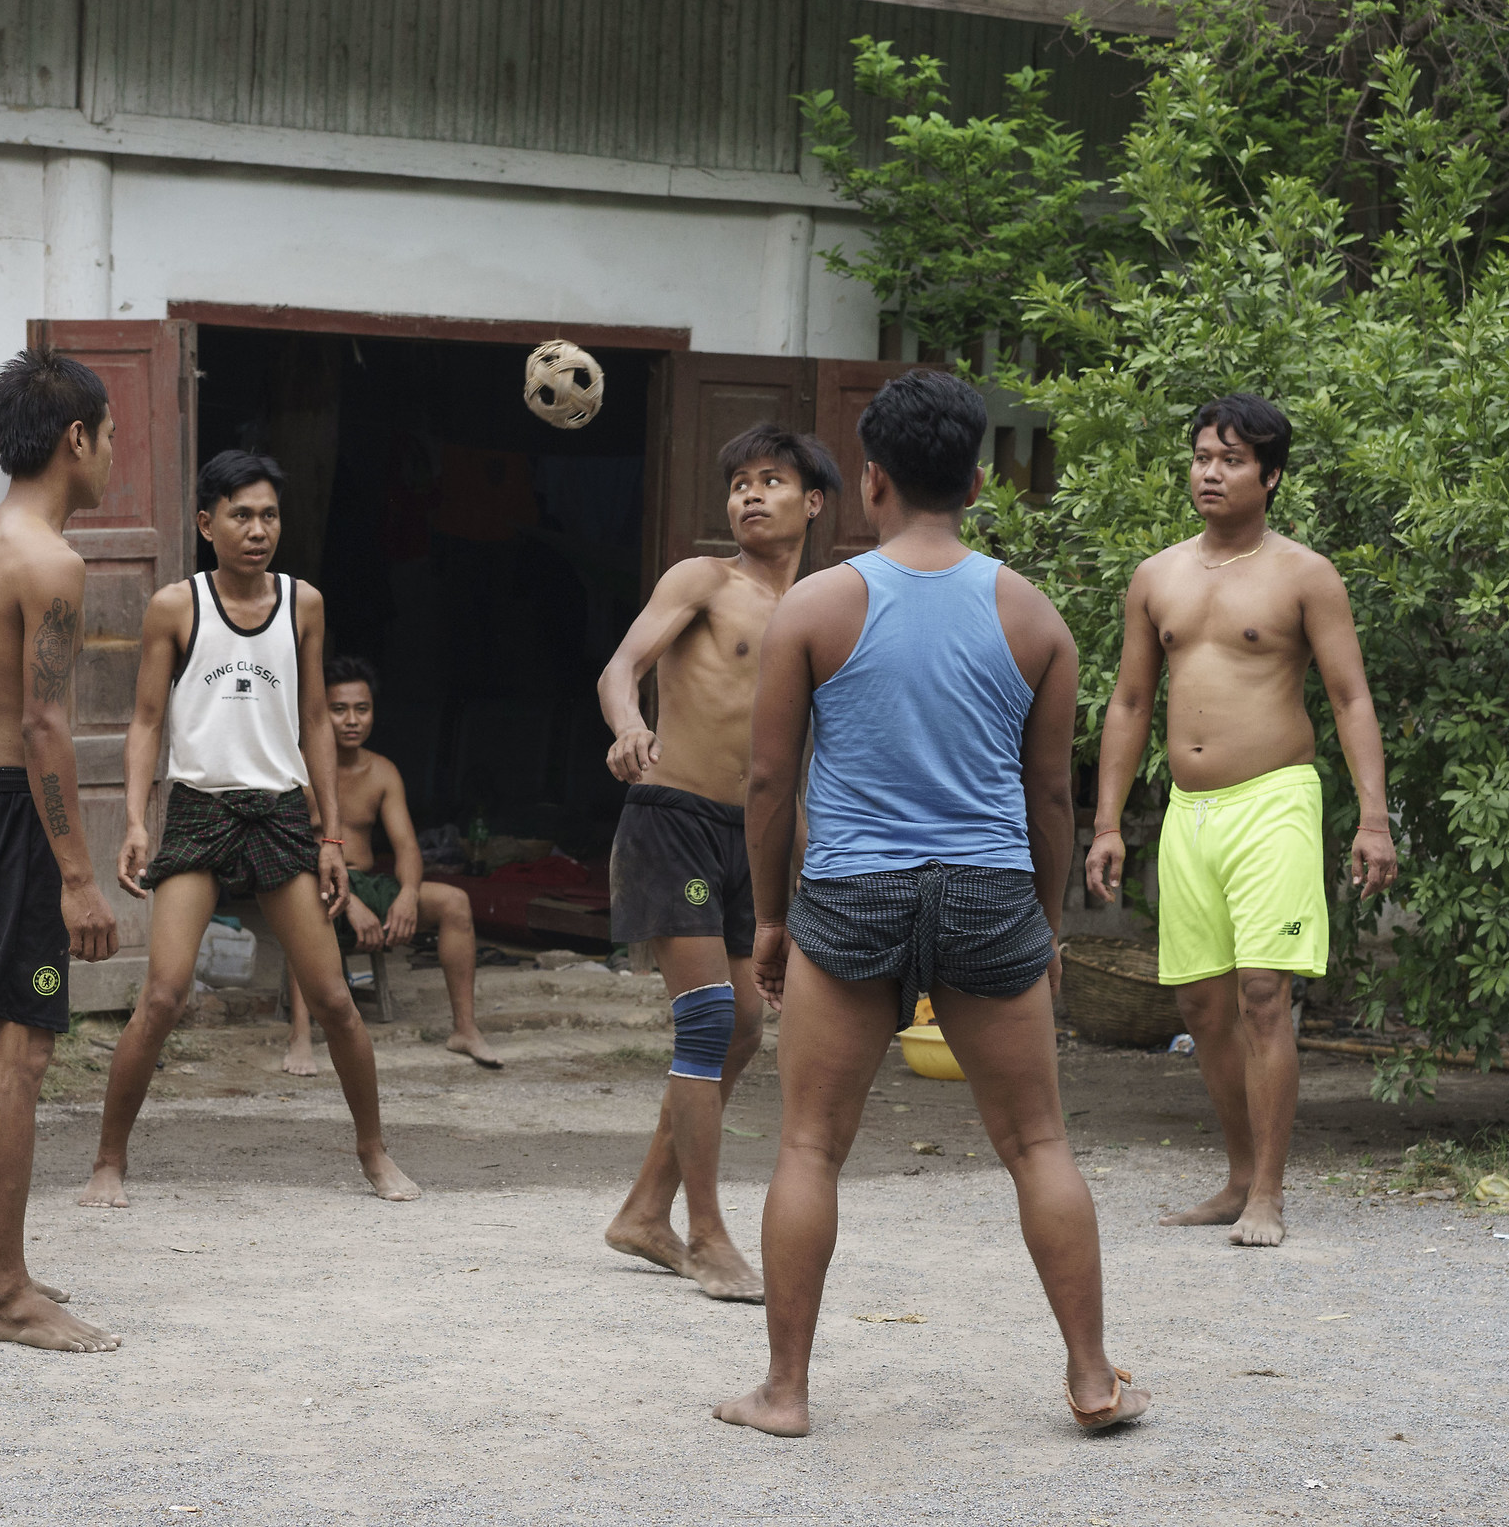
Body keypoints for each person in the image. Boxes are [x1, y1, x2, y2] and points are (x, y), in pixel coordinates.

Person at [716, 369, 1148, 1438]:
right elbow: (1050, 793)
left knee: (811, 1144)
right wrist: (1045, 925)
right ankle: (1092, 1379)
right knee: (1039, 1143)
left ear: (870, 481)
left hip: (851, 891)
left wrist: (771, 919)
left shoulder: (816, 606)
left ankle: (785, 1390)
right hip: (990, 889)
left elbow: (771, 784)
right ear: (975, 481)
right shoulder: (1033, 616)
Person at [1085, 394, 1397, 1249]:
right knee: (1199, 1003)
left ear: (1271, 475)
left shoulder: (1305, 574)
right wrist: (1107, 822)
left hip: (1275, 801)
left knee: (1264, 996)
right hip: (1189, 812)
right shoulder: (1159, 575)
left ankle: (1269, 1193)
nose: (1209, 472)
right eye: (1200, 457)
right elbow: (1131, 700)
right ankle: (1233, 1177)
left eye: (1229, 459)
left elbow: (1349, 697)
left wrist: (1374, 817)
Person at [86, 450, 419, 1206]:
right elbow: (144, 719)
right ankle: (109, 1159)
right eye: (241, 514)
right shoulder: (176, 605)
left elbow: (313, 723)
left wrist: (331, 836)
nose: (258, 529)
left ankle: (374, 1153)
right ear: (207, 524)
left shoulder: (304, 603)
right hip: (201, 811)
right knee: (164, 994)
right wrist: (137, 819)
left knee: (333, 999)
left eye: (269, 514)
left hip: (278, 813)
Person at [596, 421, 834, 1303]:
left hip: (757, 841)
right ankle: (704, 1236)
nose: (748, 495)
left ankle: (644, 1214)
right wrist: (629, 725)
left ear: (812, 502)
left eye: (770, 480)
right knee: (705, 1021)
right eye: (739, 482)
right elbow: (621, 666)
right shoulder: (704, 580)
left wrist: (802, 868)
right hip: (675, 818)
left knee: (742, 1028)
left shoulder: (823, 607)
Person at [0, 348, 123, 1353]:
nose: (114, 452)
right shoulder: (53, 562)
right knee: (20, 1047)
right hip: (8, 809)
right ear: (76, 438)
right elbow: (46, 726)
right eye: (111, 432)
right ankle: (4, 1291)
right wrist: (78, 877)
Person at [282, 655, 501, 1077]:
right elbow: (289, 852)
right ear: (319, 711)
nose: (351, 720)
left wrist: (406, 895)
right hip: (314, 884)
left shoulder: (382, 772)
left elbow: (406, 847)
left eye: (361, 709)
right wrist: (347, 904)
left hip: (366, 882)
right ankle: (301, 1039)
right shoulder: (299, 771)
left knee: (454, 902)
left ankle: (465, 1029)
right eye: (339, 708)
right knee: (301, 910)